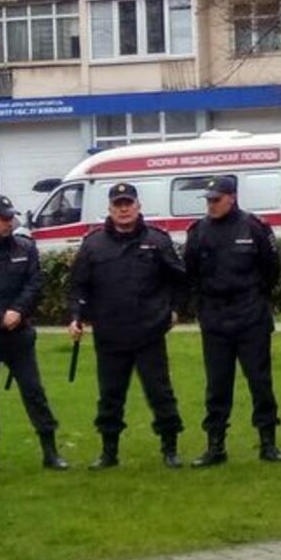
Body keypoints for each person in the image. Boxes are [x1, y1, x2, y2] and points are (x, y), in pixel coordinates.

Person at [69, 182, 187, 470]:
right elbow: (79, 285)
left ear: (138, 206)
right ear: (109, 209)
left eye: (128, 204)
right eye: (118, 205)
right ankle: (109, 452)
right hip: (110, 333)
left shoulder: (157, 240)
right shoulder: (93, 244)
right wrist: (76, 316)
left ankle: (170, 448)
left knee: (160, 393)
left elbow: (179, 279)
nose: (123, 210)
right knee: (110, 396)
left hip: (149, 332)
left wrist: (174, 309)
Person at [0, 195, 68, 475]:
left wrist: (17, 310)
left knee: (34, 392)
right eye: (3, 219)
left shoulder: (25, 247)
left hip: (18, 334)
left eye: (11, 218)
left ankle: (50, 451)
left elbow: (35, 283)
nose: (9, 223)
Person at [183, 175, 281, 465]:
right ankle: (215, 446)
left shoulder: (254, 227)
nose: (211, 205)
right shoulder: (199, 232)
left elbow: (271, 270)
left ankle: (268, 443)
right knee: (217, 386)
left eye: (216, 200)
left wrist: (254, 299)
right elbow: (191, 272)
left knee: (260, 382)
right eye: (208, 200)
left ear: (232, 198)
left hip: (251, 317)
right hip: (215, 320)